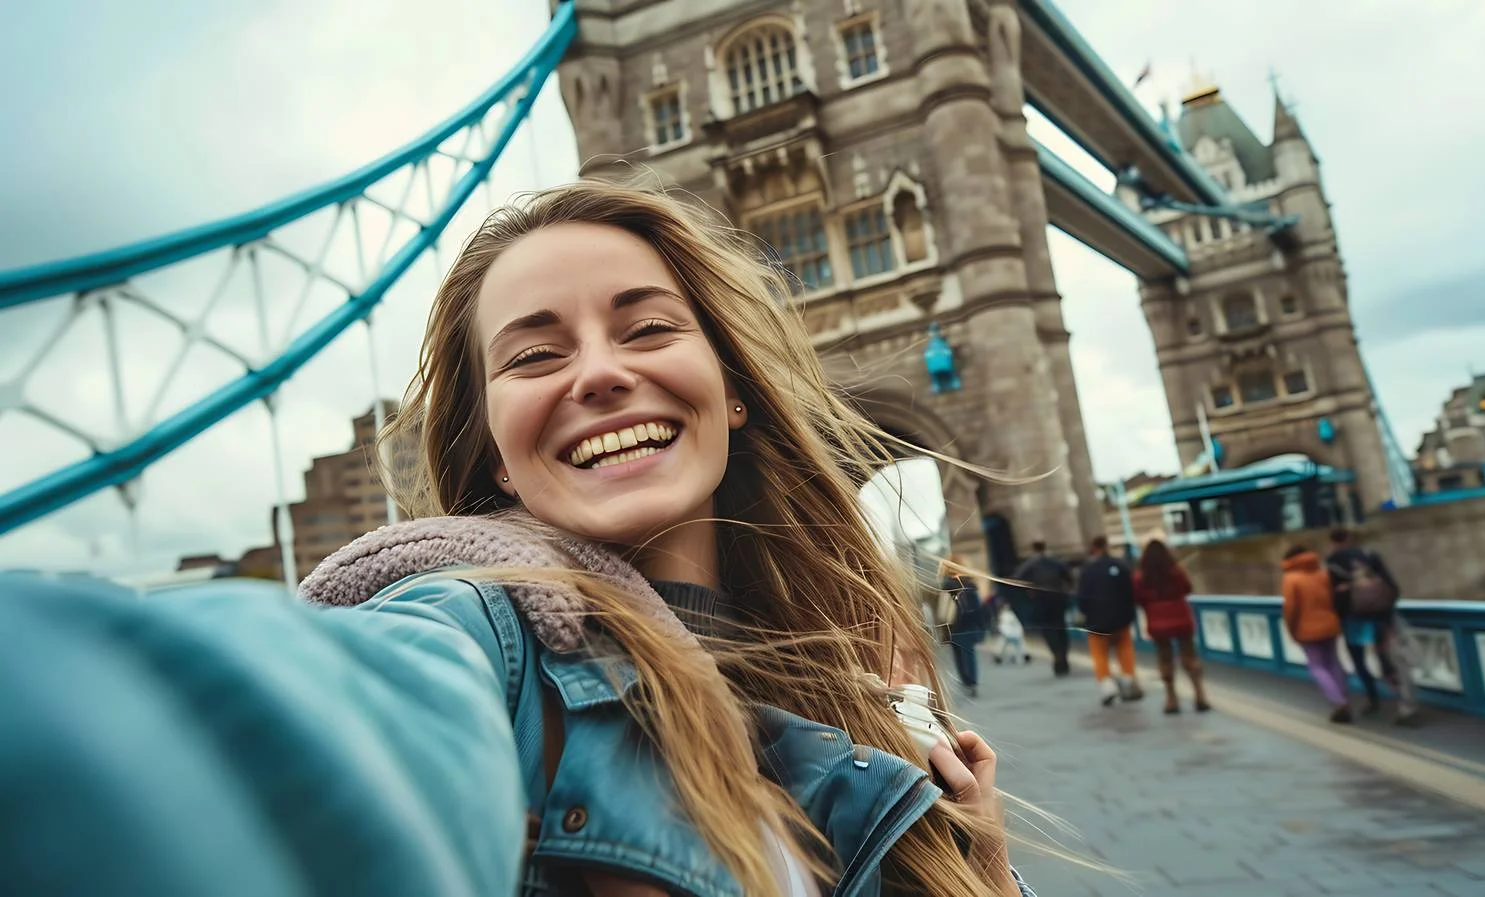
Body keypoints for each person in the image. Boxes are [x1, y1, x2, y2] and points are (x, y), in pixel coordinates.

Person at [0, 183, 1038, 897]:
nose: (595, 373)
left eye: (646, 328)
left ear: (730, 393)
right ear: (496, 454)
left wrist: (977, 868)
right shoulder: (480, 643)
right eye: (534, 354)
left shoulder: (840, 683)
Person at [1326, 527, 1418, 724]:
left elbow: (1332, 597)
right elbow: (1393, 587)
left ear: (1333, 542)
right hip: (1382, 617)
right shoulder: (1370, 555)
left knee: (1359, 660)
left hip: (1352, 619)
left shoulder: (1332, 563)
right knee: (1390, 660)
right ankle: (1405, 706)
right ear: (1350, 539)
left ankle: (1373, 699)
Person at [1132, 539, 1209, 714]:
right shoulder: (1176, 571)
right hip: (1181, 618)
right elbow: (1187, 588)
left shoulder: (1141, 577)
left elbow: (1137, 598)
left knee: (1164, 658)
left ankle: (1171, 699)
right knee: (1190, 656)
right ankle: (1199, 695)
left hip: (1158, 622)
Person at [1281, 544, 1353, 723]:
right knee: (1334, 662)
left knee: (1317, 666)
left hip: (1307, 628)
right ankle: (1343, 697)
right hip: (1330, 624)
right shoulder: (1322, 573)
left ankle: (1339, 702)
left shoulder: (1290, 578)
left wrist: (1291, 630)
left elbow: (1290, 609)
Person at [1077, 534, 1143, 706]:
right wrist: (1130, 613)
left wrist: (1086, 613)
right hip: (1121, 618)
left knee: (1099, 654)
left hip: (1096, 620)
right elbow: (1132, 591)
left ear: (1093, 548)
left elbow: (1081, 598)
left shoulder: (1087, 570)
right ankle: (1128, 679)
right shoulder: (1121, 566)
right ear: (1107, 546)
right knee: (1125, 648)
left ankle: (1107, 685)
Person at [1013, 540, 1074, 676]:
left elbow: (1017, 580)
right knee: (1061, 628)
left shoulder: (1029, 564)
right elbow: (1069, 577)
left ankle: (1057, 654)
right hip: (1058, 598)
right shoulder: (1056, 561)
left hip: (1041, 600)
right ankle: (1063, 655)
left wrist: (1029, 592)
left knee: (1048, 629)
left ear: (1033, 549)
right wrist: (1067, 590)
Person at [941, 556, 987, 698]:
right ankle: (972, 682)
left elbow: (941, 608)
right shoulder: (970, 585)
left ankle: (966, 681)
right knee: (969, 653)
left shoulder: (945, 585)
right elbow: (978, 608)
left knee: (958, 655)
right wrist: (981, 625)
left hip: (953, 624)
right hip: (969, 623)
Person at [993, 599, 1031, 666]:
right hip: (1016, 634)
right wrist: (1020, 632)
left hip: (1008, 634)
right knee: (1020, 645)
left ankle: (998, 656)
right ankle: (1024, 656)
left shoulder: (1004, 615)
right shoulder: (1012, 614)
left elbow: (1003, 626)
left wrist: (1004, 632)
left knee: (1002, 643)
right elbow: (1018, 625)